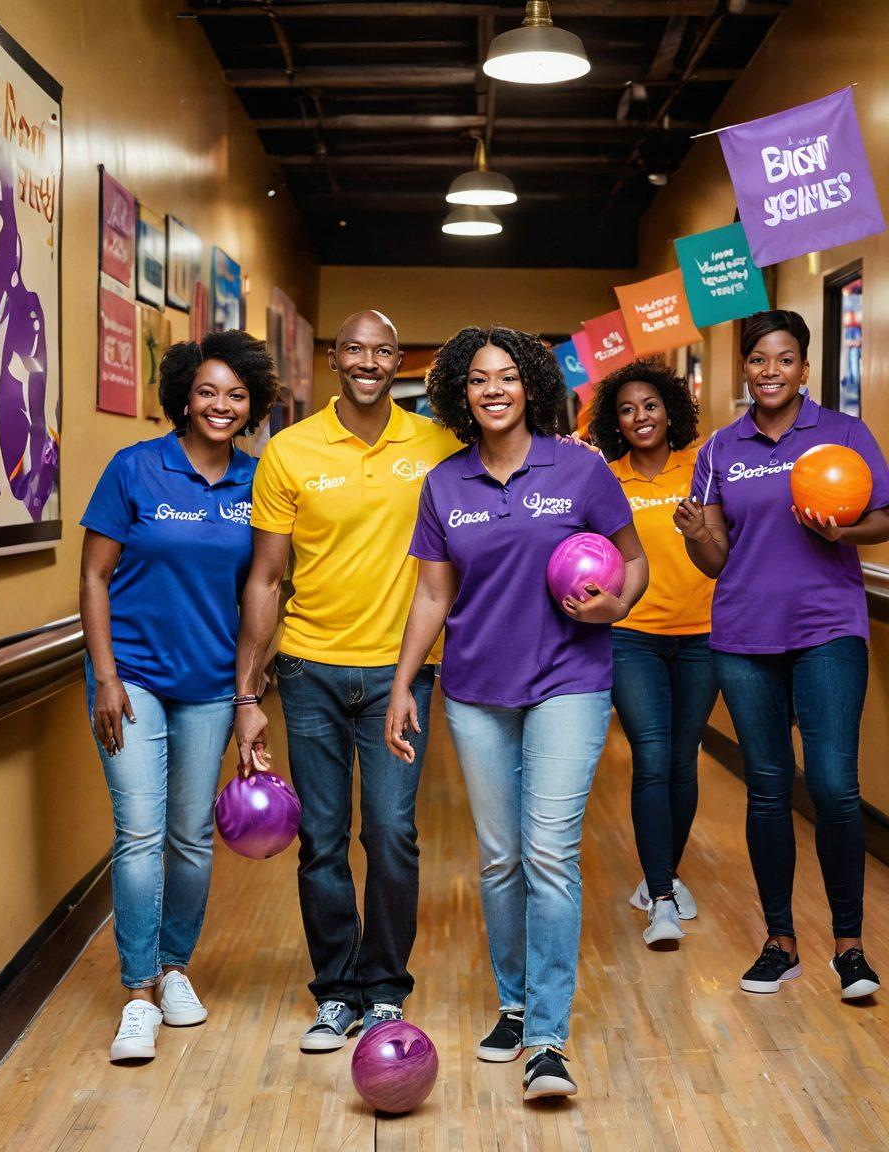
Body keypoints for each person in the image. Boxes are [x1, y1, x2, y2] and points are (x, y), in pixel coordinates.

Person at [385, 326, 648, 1100]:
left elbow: (632, 559)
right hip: (474, 690)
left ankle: (547, 1038)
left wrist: (616, 604)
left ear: (531, 384)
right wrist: (405, 683)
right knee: (498, 858)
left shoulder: (581, 468)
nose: (493, 388)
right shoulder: (445, 484)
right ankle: (513, 1001)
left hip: (570, 677)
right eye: (476, 379)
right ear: (460, 396)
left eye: (506, 375)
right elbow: (434, 593)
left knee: (549, 854)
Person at [233, 310, 461, 1052]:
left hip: (403, 676)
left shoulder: (435, 444)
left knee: (392, 833)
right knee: (323, 840)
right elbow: (266, 578)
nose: (369, 360)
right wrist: (247, 694)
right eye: (355, 349)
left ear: (400, 361)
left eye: (383, 350)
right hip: (308, 672)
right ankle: (336, 990)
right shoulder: (289, 451)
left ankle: (386, 988)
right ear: (334, 359)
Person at [675, 309, 889, 1000]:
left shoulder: (843, 434)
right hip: (742, 636)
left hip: (828, 628)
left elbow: (884, 517)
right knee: (768, 788)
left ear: (804, 366)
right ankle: (780, 941)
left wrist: (842, 532)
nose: (770, 370)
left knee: (832, 785)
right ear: (745, 367)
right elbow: (714, 560)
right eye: (759, 359)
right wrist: (692, 531)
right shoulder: (719, 450)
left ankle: (850, 947)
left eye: (784, 358)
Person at [80, 331, 278, 1062]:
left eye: (236, 394)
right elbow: (94, 577)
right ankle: (137, 994)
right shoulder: (135, 469)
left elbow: (265, 589)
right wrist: (103, 675)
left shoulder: (257, 481)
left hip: (209, 685)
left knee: (191, 839)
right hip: (130, 678)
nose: (222, 405)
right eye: (207, 392)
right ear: (183, 399)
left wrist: (248, 692)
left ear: (252, 403)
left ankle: (173, 969)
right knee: (139, 832)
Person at [587, 361, 718, 947]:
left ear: (670, 409)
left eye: (650, 406)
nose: (640, 417)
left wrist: (700, 534)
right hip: (631, 633)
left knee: (684, 759)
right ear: (614, 421)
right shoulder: (604, 479)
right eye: (626, 409)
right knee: (654, 753)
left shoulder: (703, 468)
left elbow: (727, 547)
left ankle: (659, 873)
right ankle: (662, 898)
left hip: (704, 633)